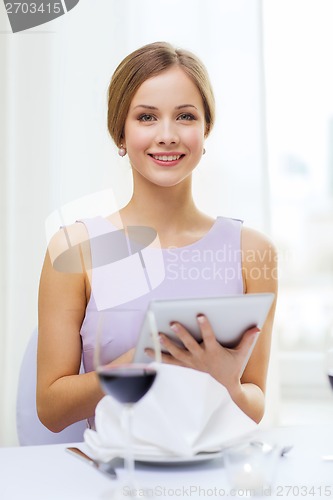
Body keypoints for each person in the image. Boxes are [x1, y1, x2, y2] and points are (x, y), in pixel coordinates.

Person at [37, 41, 277, 433]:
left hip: (214, 476)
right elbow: (50, 409)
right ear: (120, 132)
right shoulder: (73, 251)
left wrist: (224, 380)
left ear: (206, 128)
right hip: (116, 478)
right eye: (146, 117)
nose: (167, 135)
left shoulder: (252, 251)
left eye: (185, 116)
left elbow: (254, 404)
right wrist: (140, 363)